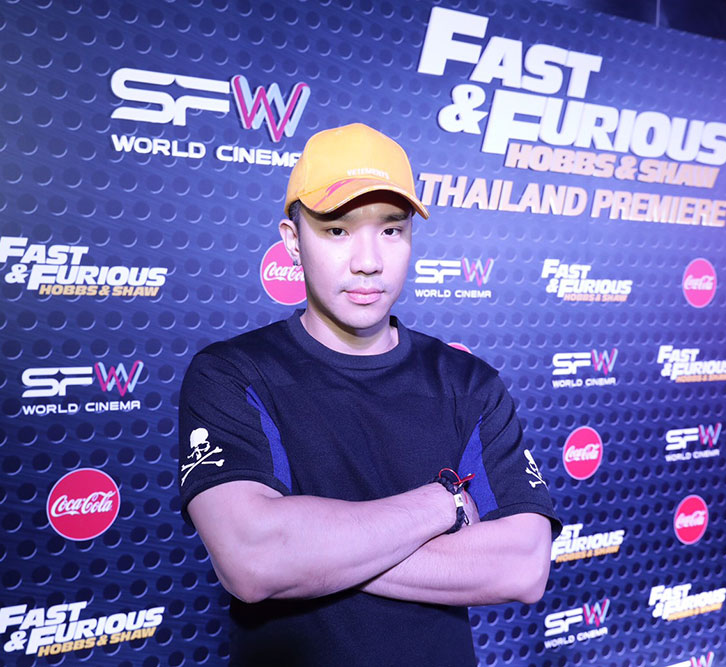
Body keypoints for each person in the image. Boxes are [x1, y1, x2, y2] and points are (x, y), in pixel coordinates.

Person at [178, 123, 559, 666]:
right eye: (337, 230)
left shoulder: (468, 383)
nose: (368, 261)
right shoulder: (233, 374)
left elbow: (521, 567)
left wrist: (314, 555)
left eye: (391, 230)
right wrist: (445, 503)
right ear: (292, 241)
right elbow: (255, 558)